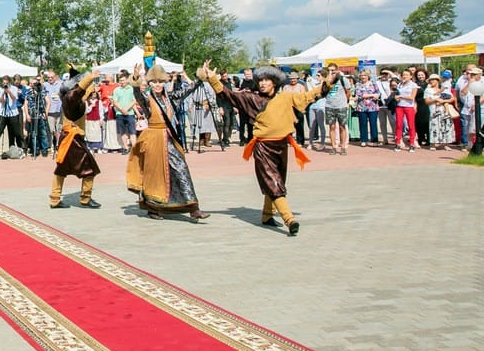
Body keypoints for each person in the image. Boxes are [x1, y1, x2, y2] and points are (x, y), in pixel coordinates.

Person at [203, 62, 330, 235]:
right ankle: (289, 219)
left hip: (281, 145)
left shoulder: (286, 97)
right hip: (263, 146)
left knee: (278, 181)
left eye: (266, 80)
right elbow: (228, 95)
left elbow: (307, 97)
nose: (262, 83)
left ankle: (267, 215)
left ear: (274, 82)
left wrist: (327, 83)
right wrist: (212, 78)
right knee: (273, 181)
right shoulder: (250, 98)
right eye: (260, 80)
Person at [125, 63, 208, 221]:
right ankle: (152, 208)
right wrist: (135, 79)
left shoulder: (171, 98)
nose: (157, 85)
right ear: (150, 83)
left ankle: (193, 207)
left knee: (181, 168)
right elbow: (137, 94)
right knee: (153, 174)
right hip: (153, 139)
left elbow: (188, 89)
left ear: (165, 82)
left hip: (169, 138)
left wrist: (200, 78)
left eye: (160, 81)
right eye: (154, 82)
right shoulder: (147, 100)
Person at [48, 67, 102, 209]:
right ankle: (85, 198)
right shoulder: (72, 98)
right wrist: (90, 77)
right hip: (73, 140)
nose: (91, 90)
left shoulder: (73, 99)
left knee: (61, 169)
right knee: (90, 168)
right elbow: (78, 91)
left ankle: (55, 199)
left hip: (70, 138)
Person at [323, 65, 353, 155]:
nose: (331, 72)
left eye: (332, 70)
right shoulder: (326, 80)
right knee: (331, 127)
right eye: (329, 70)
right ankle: (333, 147)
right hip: (329, 106)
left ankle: (343, 147)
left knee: (342, 127)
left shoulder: (342, 79)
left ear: (337, 70)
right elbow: (323, 91)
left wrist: (345, 101)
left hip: (341, 106)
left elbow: (348, 91)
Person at [424, 75, 456, 149]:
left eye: (433, 80)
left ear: (437, 81)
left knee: (446, 126)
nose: (431, 81)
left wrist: (444, 101)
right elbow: (427, 101)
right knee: (434, 126)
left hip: (444, 110)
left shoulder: (444, 89)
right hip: (434, 110)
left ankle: (446, 144)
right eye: (430, 80)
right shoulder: (428, 90)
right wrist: (435, 100)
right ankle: (433, 144)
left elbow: (452, 98)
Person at [393, 69, 419, 152]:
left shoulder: (413, 85)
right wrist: (396, 98)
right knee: (399, 125)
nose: (405, 76)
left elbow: (412, 97)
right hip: (400, 106)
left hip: (409, 107)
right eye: (403, 75)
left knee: (411, 125)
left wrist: (401, 96)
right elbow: (397, 94)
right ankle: (398, 143)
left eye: (407, 75)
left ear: (411, 76)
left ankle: (412, 143)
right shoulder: (400, 84)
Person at [353, 71, 381, 145]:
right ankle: (364, 140)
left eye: (364, 75)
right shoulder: (358, 84)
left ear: (368, 76)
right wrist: (371, 95)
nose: (363, 77)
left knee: (373, 124)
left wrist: (368, 95)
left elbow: (378, 94)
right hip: (361, 107)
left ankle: (374, 140)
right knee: (363, 124)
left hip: (373, 107)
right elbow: (359, 95)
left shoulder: (373, 84)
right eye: (361, 75)